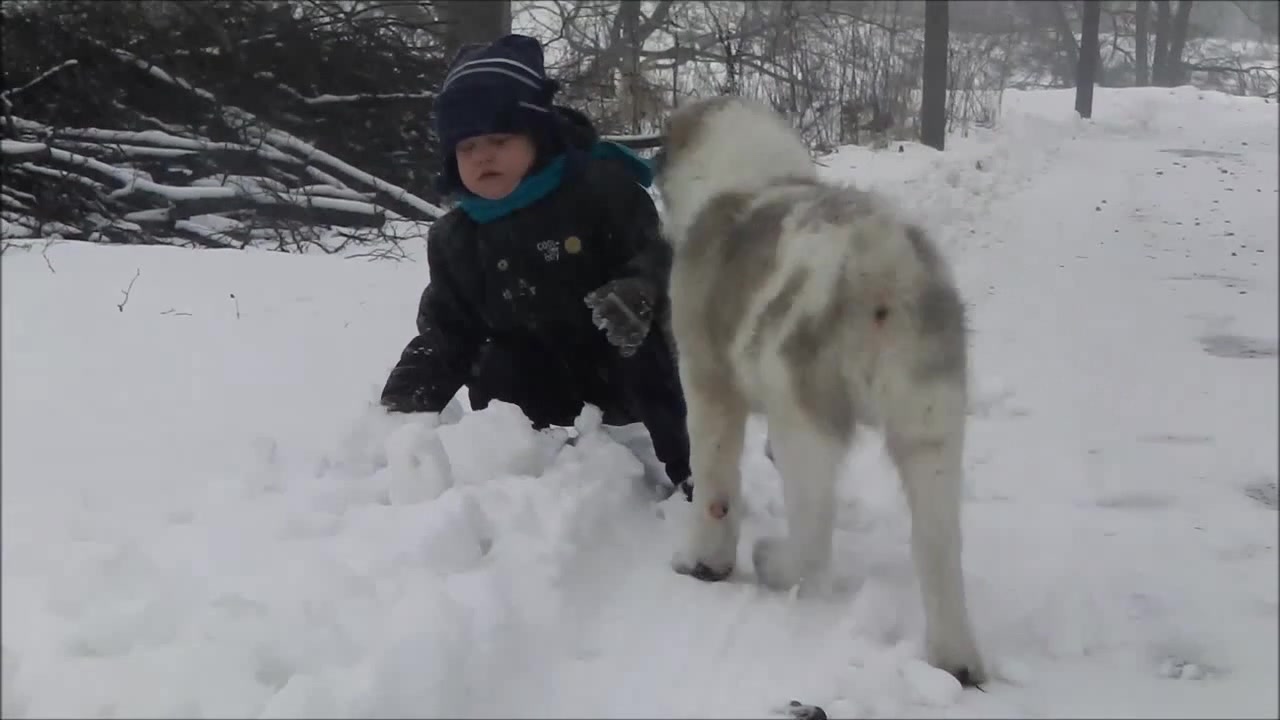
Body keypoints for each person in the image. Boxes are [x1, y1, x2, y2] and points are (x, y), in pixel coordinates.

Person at [379, 34, 692, 500]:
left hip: (618, 367)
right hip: (534, 388)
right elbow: (448, 330)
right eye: (467, 148)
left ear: (537, 137)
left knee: (638, 343)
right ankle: (524, 479)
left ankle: (692, 473)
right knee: (493, 361)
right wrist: (400, 411)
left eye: (499, 140)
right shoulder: (456, 238)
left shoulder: (599, 191)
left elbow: (657, 255)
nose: (483, 155)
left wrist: (638, 289)